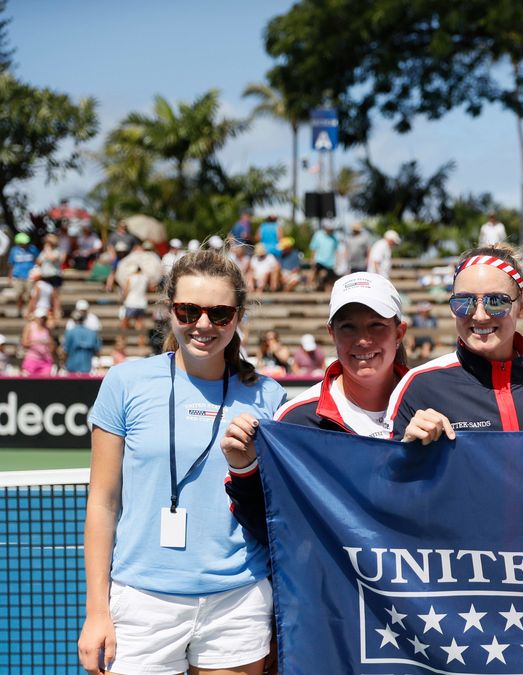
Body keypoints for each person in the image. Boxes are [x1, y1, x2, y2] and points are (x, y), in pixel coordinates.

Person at [77, 249, 287, 675]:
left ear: (238, 315)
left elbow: (279, 512)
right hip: (142, 602)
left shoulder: (269, 397)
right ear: (170, 309)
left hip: (238, 600)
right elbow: (102, 502)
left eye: (220, 313)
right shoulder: (124, 383)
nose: (204, 325)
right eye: (188, 310)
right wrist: (97, 611)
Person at [222, 273, 409, 540]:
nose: (363, 340)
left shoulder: (431, 405)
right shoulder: (296, 419)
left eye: (377, 325)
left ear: (399, 333)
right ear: (331, 333)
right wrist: (244, 470)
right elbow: (269, 528)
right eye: (348, 327)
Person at [394, 247, 523, 444]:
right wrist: (405, 450)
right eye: (464, 302)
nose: (480, 316)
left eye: (496, 302)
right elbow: (388, 473)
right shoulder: (420, 385)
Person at [63, 308, 102, 375]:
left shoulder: (69, 332)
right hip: (87, 368)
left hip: (72, 367)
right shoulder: (92, 333)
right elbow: (97, 351)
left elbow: (66, 350)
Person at [120, 264, 150, 347]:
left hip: (131, 302)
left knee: (125, 323)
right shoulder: (145, 278)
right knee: (139, 323)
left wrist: (122, 299)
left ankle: (123, 341)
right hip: (141, 303)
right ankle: (141, 343)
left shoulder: (130, 278)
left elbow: (125, 291)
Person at [20, 307, 55, 376]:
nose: (42, 320)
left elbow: (52, 346)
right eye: (40, 318)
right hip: (32, 360)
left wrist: (48, 347)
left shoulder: (47, 329)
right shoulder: (30, 326)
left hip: (45, 360)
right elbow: (24, 343)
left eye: (44, 318)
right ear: (36, 318)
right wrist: (37, 342)